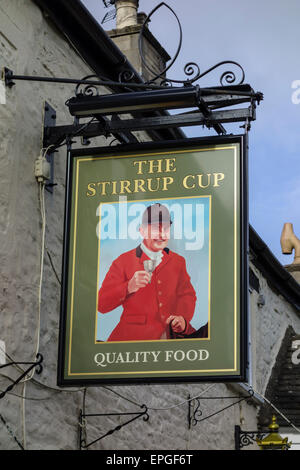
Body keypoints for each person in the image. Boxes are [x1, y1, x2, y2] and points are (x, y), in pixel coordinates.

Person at [98, 203, 197, 341]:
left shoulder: (178, 261)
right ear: (142, 231)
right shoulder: (123, 261)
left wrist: (182, 319)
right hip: (132, 340)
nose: (162, 234)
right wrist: (128, 287)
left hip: (170, 338)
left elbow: (187, 295)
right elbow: (101, 304)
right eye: (156, 228)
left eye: (166, 229)